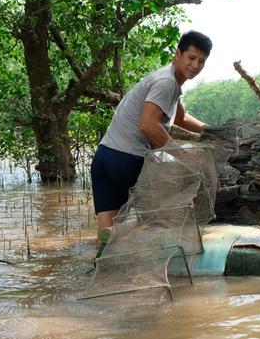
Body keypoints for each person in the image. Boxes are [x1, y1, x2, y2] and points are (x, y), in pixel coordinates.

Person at [90, 30, 210, 258]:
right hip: (127, 159)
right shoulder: (167, 83)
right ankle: (125, 237)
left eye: (201, 61)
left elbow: (181, 118)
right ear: (178, 54)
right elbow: (148, 125)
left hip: (104, 159)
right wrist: (181, 154)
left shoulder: (168, 81)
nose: (195, 65)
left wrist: (209, 130)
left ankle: (107, 263)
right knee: (159, 216)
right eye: (191, 58)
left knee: (103, 238)